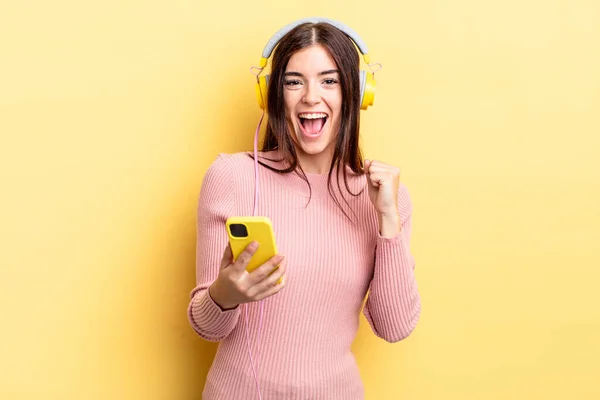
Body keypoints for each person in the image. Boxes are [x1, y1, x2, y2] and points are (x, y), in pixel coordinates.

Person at [187, 17, 421, 400]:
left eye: (329, 80)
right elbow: (207, 325)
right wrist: (224, 295)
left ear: (356, 93)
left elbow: (393, 327)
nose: (311, 96)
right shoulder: (231, 177)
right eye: (294, 81)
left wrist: (388, 222)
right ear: (273, 95)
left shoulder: (383, 197)